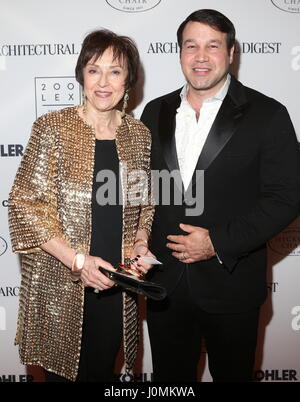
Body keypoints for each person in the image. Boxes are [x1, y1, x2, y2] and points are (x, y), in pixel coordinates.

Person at [141, 9, 300, 382]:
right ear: (179, 53)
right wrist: (136, 237)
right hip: (164, 286)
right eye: (191, 46)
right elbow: (143, 187)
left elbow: (287, 197)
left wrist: (216, 242)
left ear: (231, 53)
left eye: (213, 46)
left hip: (231, 285)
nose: (200, 56)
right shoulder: (155, 111)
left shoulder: (268, 114)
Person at [8, 29, 154, 382]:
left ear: (128, 80)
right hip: (61, 284)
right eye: (93, 70)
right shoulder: (53, 128)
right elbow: (23, 205)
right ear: (81, 76)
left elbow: (145, 204)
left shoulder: (139, 135)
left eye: (115, 71)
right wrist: (78, 261)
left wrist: (140, 243)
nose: (103, 82)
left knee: (103, 371)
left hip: (116, 287)